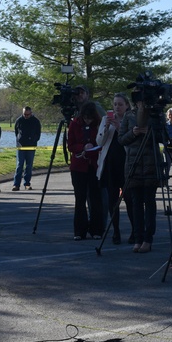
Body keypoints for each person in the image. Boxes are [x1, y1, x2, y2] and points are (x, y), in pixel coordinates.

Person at [120, 102, 164, 253]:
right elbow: (121, 139)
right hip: (133, 164)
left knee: (149, 202)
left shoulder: (156, 113)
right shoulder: (128, 115)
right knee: (136, 203)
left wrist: (149, 132)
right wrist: (134, 132)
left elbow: (164, 136)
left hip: (151, 163)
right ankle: (138, 238)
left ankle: (148, 238)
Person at [97, 94, 132, 244]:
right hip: (110, 164)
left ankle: (135, 231)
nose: (117, 107)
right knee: (112, 200)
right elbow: (99, 141)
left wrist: (119, 127)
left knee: (130, 199)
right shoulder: (106, 119)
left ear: (126, 106)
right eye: (115, 104)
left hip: (125, 163)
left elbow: (132, 143)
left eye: (120, 104)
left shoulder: (130, 119)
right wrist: (106, 128)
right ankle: (115, 231)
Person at [68, 102, 104, 239]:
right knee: (80, 198)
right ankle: (79, 231)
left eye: (90, 118)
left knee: (95, 198)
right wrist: (82, 147)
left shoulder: (99, 124)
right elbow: (71, 145)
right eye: (85, 118)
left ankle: (97, 229)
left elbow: (102, 142)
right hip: (78, 167)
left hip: (94, 165)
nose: (88, 120)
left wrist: (93, 147)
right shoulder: (74, 124)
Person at [13, 106, 41, 191]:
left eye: (28, 114)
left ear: (31, 113)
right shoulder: (19, 120)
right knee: (19, 165)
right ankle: (16, 184)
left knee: (29, 166)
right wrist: (19, 140)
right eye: (25, 114)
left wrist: (33, 140)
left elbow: (38, 133)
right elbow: (16, 132)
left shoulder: (35, 121)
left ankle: (27, 183)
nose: (26, 116)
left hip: (31, 146)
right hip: (20, 146)